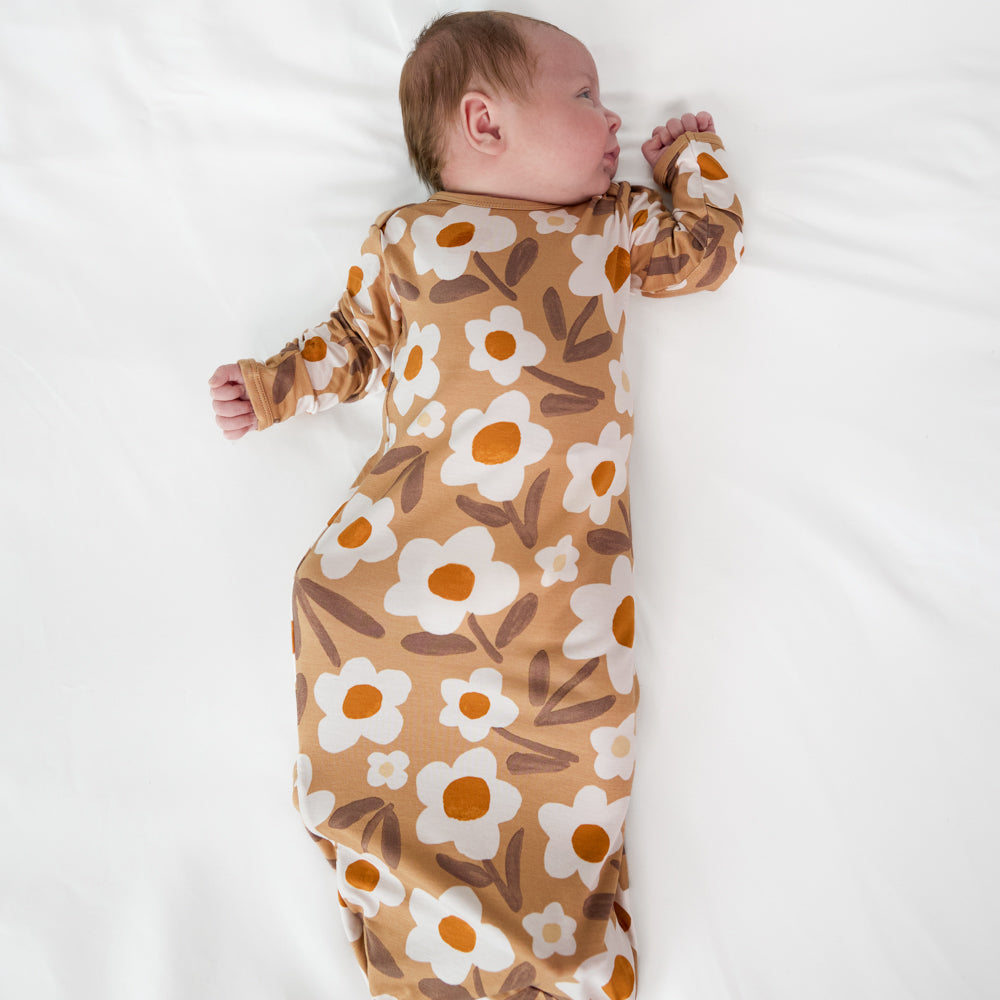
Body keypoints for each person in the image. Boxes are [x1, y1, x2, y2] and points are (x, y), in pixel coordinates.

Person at [209, 10, 743, 999]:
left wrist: (692, 161)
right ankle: (415, 949)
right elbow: (355, 341)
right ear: (483, 122)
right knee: (388, 744)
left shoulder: (611, 223)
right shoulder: (408, 239)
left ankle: (552, 949)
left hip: (554, 581)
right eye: (584, 95)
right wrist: (274, 383)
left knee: (568, 741)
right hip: (405, 562)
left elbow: (705, 249)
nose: (613, 116)